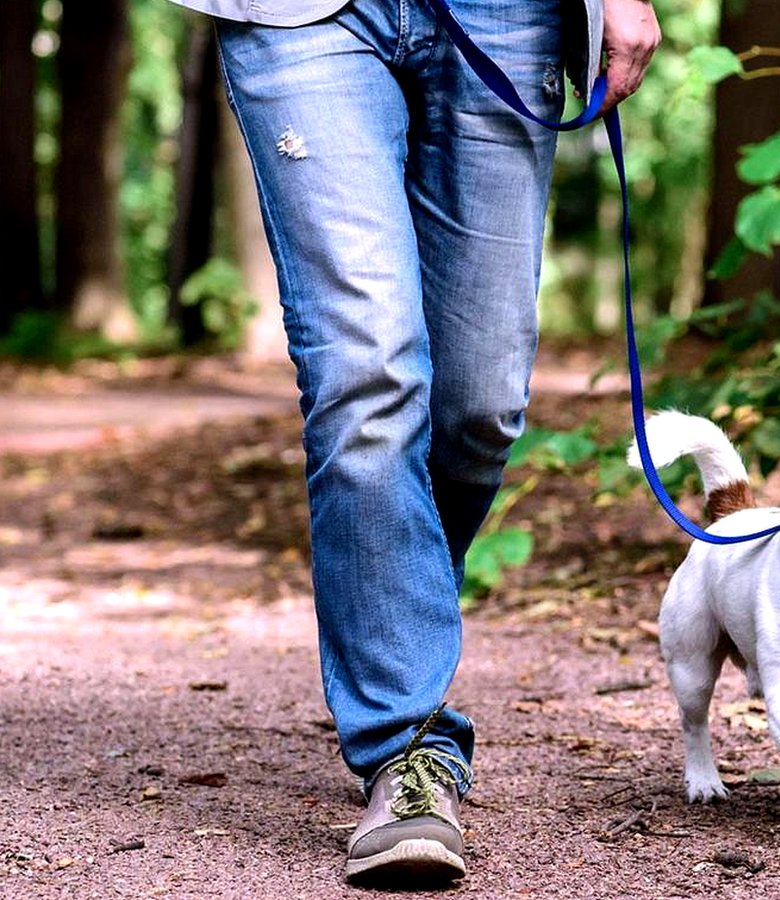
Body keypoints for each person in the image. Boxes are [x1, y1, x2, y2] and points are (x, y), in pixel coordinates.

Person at [161, 0, 660, 885]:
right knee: (366, 377)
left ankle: (397, 613)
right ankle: (410, 748)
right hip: (298, 17)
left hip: (508, 15)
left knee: (479, 406)